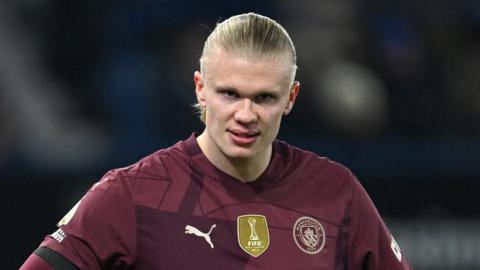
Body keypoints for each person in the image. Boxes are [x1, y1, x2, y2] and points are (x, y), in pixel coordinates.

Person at [21, 13, 412, 269]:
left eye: (264, 98)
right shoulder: (133, 193)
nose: (245, 114)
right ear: (201, 89)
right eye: (229, 94)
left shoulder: (336, 191)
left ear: (290, 98)